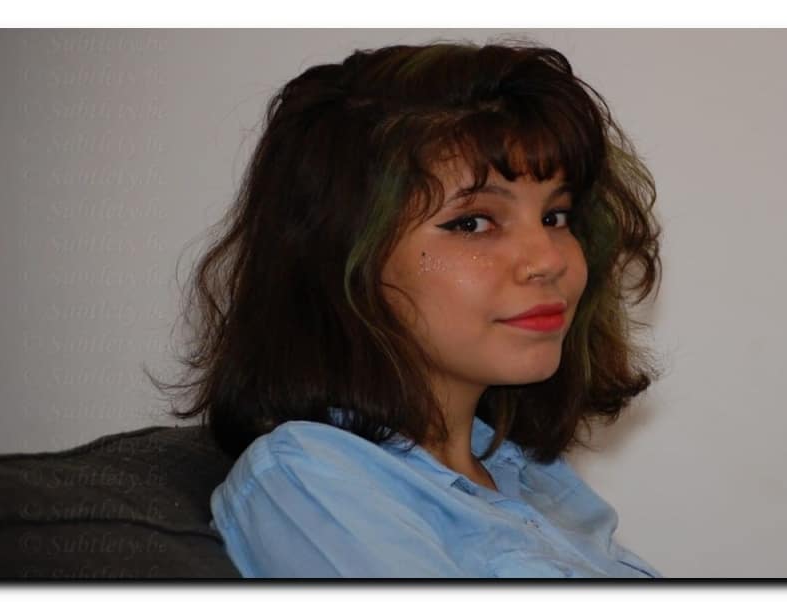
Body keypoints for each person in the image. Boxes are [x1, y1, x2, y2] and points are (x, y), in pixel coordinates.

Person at [156, 40, 663, 578]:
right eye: (472, 223)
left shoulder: (533, 475)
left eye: (555, 217)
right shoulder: (311, 479)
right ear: (342, 259)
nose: (548, 260)